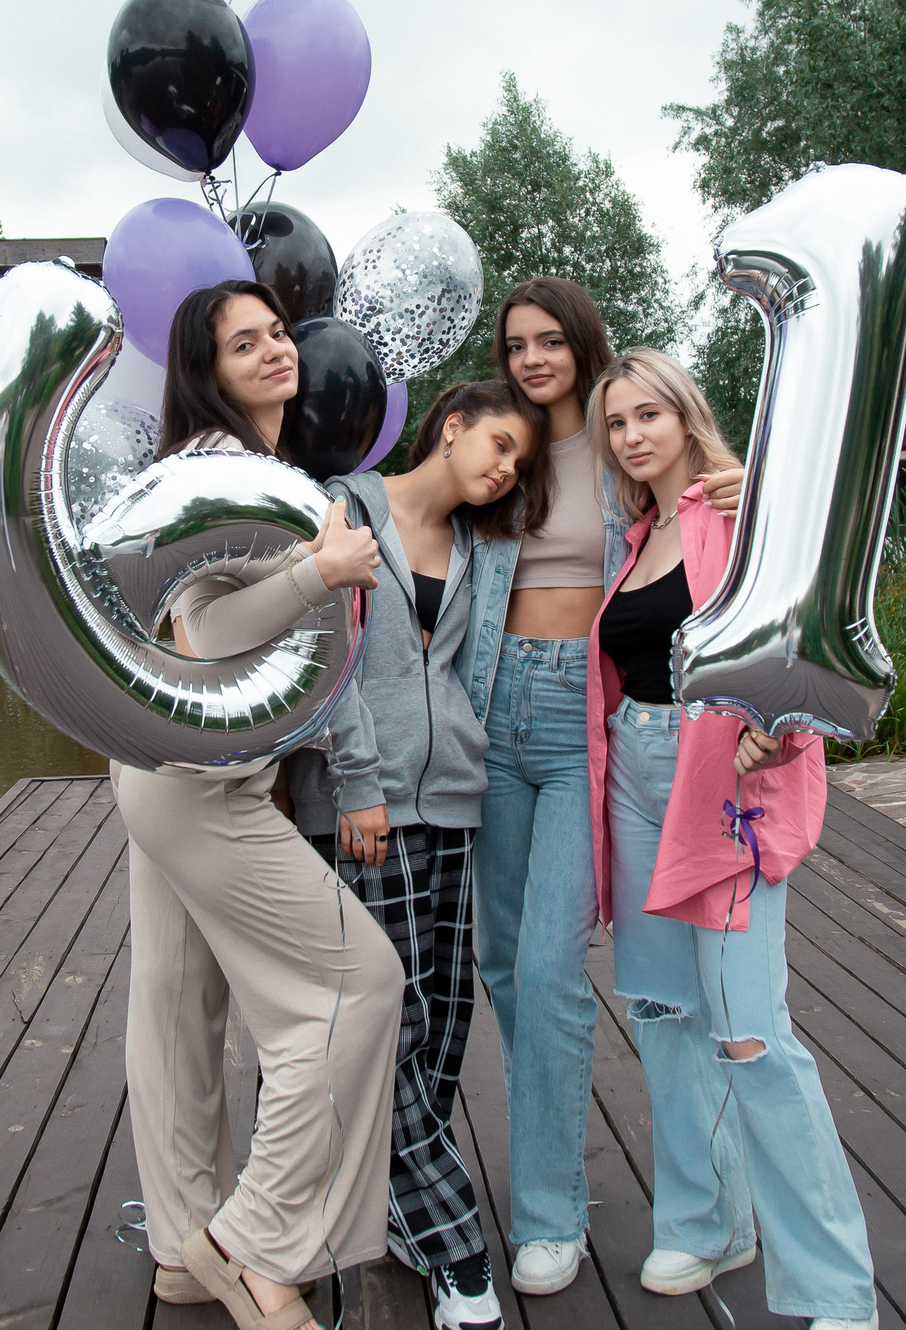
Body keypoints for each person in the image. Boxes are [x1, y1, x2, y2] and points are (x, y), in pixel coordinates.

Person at [121, 280, 403, 1330]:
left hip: (169, 770)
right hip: (198, 783)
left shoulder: (250, 473)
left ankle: (181, 1251)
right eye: (245, 344)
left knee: (176, 1012)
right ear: (209, 369)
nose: (276, 351)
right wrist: (314, 576)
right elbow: (191, 641)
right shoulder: (210, 477)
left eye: (278, 333)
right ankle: (253, 1243)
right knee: (356, 986)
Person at [586, 348, 877, 1330]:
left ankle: (834, 1285)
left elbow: (814, 628)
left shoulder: (738, 512)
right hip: (636, 775)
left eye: (646, 414)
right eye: (616, 423)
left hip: (724, 780)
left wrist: (786, 724)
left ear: (682, 415)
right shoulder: (634, 536)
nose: (631, 435)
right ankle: (706, 1221)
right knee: (666, 1013)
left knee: (752, 1033)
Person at [469, 277, 740, 1296]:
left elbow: (708, 504)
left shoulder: (620, 443)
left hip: (581, 715)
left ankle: (547, 1217)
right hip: (489, 710)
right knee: (501, 962)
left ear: (583, 344)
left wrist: (746, 481)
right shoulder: (500, 444)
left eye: (549, 341)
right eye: (515, 344)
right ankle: (546, 1170)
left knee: (547, 965)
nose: (533, 358)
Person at [281, 378, 546, 1330]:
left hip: (452, 803)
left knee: (442, 1019)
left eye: (519, 459)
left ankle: (395, 1203)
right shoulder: (347, 507)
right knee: (383, 1023)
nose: (506, 467)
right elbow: (322, 651)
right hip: (365, 805)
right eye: (499, 444)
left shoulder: (484, 545)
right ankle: (457, 1242)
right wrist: (357, 782)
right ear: (452, 424)